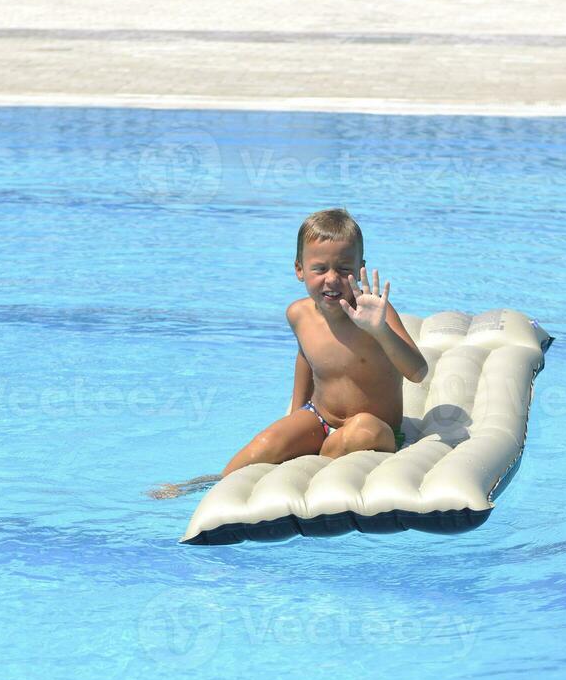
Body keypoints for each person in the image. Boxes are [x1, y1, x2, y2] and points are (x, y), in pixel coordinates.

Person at [150, 209, 427, 499]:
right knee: (267, 442)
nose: (332, 279)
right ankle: (205, 484)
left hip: (377, 429)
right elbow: (306, 358)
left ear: (360, 269)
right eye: (320, 269)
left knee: (362, 430)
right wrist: (296, 418)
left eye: (344, 269)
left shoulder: (376, 314)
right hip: (320, 419)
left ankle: (315, 461)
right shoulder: (298, 314)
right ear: (299, 269)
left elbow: (418, 372)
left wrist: (380, 330)